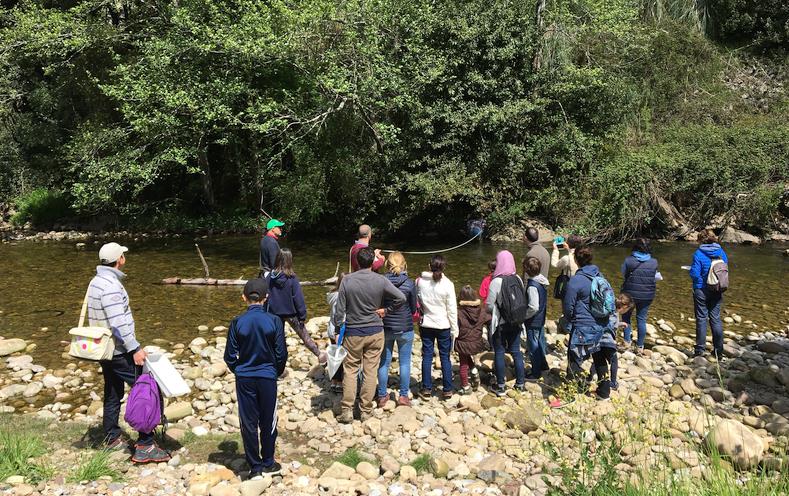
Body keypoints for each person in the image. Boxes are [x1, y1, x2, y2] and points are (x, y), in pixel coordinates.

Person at [87, 242, 170, 463]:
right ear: (119, 259)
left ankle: (112, 436)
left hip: (103, 349)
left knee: (113, 391)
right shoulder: (111, 286)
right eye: (123, 254)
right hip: (119, 350)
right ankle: (145, 445)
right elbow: (118, 322)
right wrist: (134, 348)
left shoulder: (95, 281)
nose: (124, 256)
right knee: (146, 390)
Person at [333, 247, 405, 423]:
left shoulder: (347, 281)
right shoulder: (380, 280)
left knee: (350, 371)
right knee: (370, 371)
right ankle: (365, 410)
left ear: (357, 262)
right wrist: (386, 311)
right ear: (373, 261)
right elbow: (401, 298)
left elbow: (339, 309)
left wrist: (337, 328)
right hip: (375, 331)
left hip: (353, 332)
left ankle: (348, 410)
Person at [224, 278, 288, 478]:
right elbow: (281, 353)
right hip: (267, 376)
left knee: (248, 421)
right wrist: (275, 371)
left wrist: (239, 369)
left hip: (245, 377)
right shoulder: (275, 320)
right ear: (266, 297)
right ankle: (268, 461)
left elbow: (229, 356)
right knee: (268, 420)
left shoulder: (237, 322)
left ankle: (255, 466)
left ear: (244, 298)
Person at [560, 245, 610, 401]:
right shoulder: (600, 275)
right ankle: (604, 392)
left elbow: (568, 307)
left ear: (576, 260)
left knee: (574, 358)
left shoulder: (576, 280)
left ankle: (570, 394)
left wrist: (569, 321)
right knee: (599, 356)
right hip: (601, 324)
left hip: (582, 326)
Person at [266, 249, 327, 364]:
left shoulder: (270, 276)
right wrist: (302, 315)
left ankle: (279, 364)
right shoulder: (292, 278)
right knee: (304, 336)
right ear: (289, 261)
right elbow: (298, 299)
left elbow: (267, 295)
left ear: (277, 259)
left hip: (274, 313)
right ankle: (319, 355)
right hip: (291, 314)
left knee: (278, 340)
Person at [376, 252, 417, 407]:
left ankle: (382, 395)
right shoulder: (410, 283)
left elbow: (378, 302)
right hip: (405, 326)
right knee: (405, 363)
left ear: (387, 264)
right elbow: (413, 308)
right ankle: (403, 396)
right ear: (404, 264)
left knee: (384, 362)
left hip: (386, 326)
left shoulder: (382, 281)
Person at [485, 250, 527, 397]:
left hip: (501, 323)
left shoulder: (495, 281)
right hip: (516, 321)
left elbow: (489, 305)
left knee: (499, 351)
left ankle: (501, 386)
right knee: (516, 352)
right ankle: (521, 383)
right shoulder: (518, 279)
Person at [417, 254, 459, 400]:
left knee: (427, 356)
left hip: (427, 323)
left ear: (430, 266)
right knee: (445, 358)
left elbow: (419, 302)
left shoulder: (421, 282)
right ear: (444, 267)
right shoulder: (448, 284)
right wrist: (455, 329)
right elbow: (452, 309)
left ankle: (427, 388)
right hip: (443, 325)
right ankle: (447, 389)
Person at [689, 229, 729, 359]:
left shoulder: (698, 254)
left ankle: (700, 349)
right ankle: (718, 351)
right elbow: (724, 269)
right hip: (717, 289)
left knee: (701, 319)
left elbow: (695, 274)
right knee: (715, 319)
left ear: (701, 240)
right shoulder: (721, 252)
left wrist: (696, 278)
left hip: (701, 289)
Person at [621, 238, 661, 354]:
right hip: (647, 294)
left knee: (626, 318)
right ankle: (640, 346)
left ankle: (627, 342)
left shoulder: (628, 261)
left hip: (629, 294)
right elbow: (654, 277)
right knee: (641, 319)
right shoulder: (654, 262)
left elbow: (623, 274)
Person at [590, 293, 633, 399]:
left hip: (598, 341)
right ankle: (613, 382)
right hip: (608, 343)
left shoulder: (607, 309)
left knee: (598, 361)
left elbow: (607, 323)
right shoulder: (615, 313)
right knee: (613, 361)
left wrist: (620, 324)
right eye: (627, 310)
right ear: (624, 307)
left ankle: (590, 376)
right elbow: (611, 325)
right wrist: (618, 324)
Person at [455, 285, 490, 394]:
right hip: (476, 342)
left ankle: (465, 386)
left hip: (463, 342)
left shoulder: (458, 312)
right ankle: (474, 371)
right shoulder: (482, 311)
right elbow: (490, 319)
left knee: (463, 364)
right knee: (466, 356)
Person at [522, 257, 550, 380]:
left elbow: (533, 306)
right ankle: (543, 365)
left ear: (527, 270)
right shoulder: (542, 281)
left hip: (533, 320)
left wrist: (525, 316)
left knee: (533, 345)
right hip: (541, 317)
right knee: (538, 342)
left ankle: (535, 372)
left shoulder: (533, 286)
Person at [326, 273, 345, 392]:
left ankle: (333, 380)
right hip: (341, 330)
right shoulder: (344, 296)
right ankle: (340, 382)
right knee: (342, 356)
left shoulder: (332, 295)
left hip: (332, 329)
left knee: (334, 355)